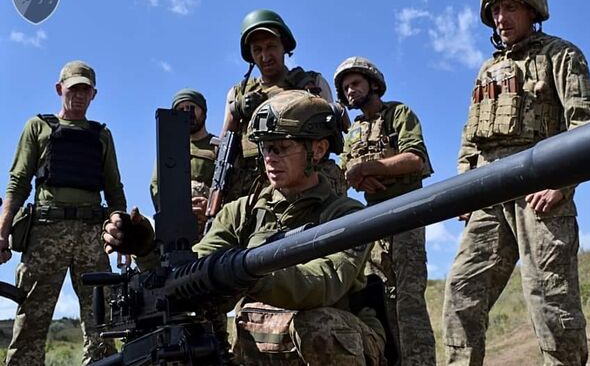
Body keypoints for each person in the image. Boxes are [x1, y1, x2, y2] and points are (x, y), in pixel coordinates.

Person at [104, 90, 386, 365]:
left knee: (319, 326)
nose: (270, 158)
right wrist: (147, 249)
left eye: (282, 147)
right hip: (262, 342)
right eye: (266, 148)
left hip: (334, 340)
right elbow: (191, 270)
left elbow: (324, 282)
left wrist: (250, 271)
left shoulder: (346, 215)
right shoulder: (241, 212)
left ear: (319, 150)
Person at [441, 0, 590, 365]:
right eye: (495, 10)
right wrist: (464, 187)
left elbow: (585, 125)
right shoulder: (486, 70)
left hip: (540, 192)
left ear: (532, 10)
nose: (501, 18)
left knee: (552, 302)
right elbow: (470, 136)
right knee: (461, 294)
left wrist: (562, 185)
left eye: (510, 7)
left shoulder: (561, 55)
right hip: (487, 193)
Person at [0, 60, 125, 365]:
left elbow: (114, 190)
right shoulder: (38, 127)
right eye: (73, 89)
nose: (79, 96)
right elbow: (18, 182)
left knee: (102, 324)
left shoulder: (101, 135)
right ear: (60, 89)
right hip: (46, 232)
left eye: (85, 90)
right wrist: (2, 231)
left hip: (91, 235)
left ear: (94, 94)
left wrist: (123, 237)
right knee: (30, 322)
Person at [335, 56, 435, 365]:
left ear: (373, 84)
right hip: (373, 221)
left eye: (355, 83)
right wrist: (358, 175)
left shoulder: (399, 114)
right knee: (380, 299)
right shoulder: (353, 132)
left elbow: (415, 159)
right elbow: (343, 175)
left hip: (406, 213)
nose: (350, 91)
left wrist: (368, 168)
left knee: (409, 300)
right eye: (345, 88)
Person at [221, 9, 346, 203]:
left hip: (304, 185)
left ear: (284, 47)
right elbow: (224, 144)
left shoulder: (311, 83)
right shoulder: (238, 93)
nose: (265, 56)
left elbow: (335, 131)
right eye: (257, 50)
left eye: (271, 46)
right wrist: (236, 109)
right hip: (252, 188)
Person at [150, 88, 216, 230]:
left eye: (191, 107)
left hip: (210, 222)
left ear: (203, 112)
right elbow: (156, 185)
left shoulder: (218, 146)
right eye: (181, 109)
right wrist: (173, 210)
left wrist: (212, 209)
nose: (187, 112)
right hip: (177, 224)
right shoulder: (169, 148)